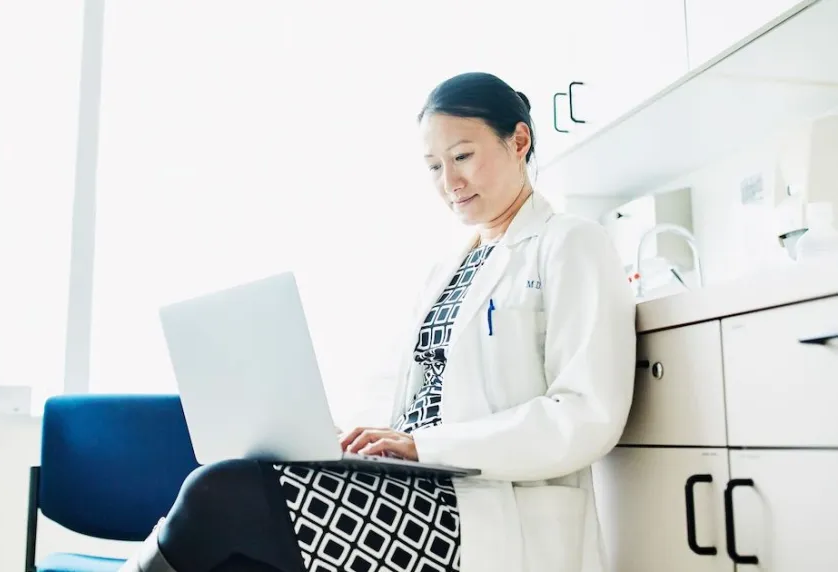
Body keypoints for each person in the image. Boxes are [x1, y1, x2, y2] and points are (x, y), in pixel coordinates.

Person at [120, 72, 637, 572]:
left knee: (221, 494)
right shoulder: (448, 270)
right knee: (238, 531)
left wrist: (422, 446)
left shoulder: (570, 243)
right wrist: (343, 440)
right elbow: (407, 400)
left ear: (518, 141)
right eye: (433, 166)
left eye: (462, 156)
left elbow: (585, 415)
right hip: (420, 485)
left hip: (490, 512)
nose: (449, 182)